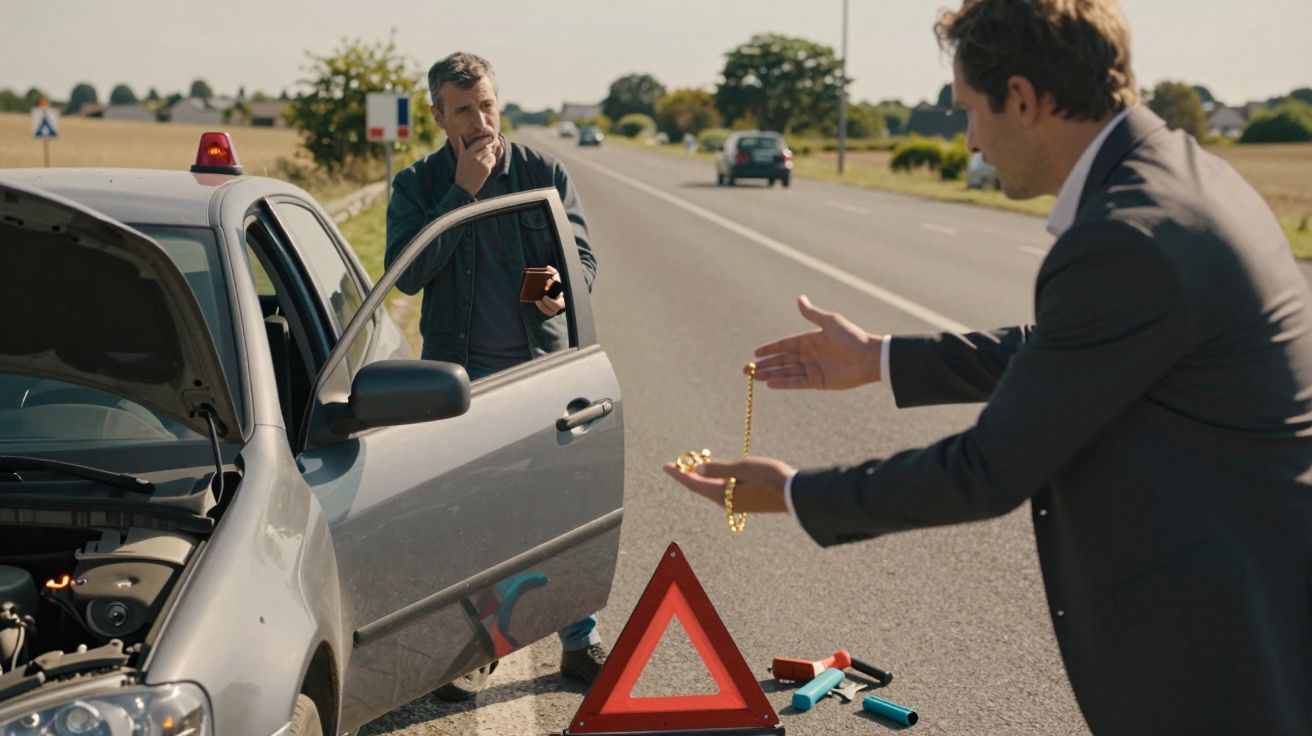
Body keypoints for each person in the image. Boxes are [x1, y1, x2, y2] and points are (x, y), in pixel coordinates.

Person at [664, 0, 1312, 732]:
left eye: (970, 110)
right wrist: (880, 358)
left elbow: (987, 469)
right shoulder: (1186, 175)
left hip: (1219, 652)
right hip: (1252, 601)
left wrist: (795, 493)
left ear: (1025, 100)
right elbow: (1072, 348)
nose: (970, 140)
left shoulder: (1125, 234)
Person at [385, 51, 607, 685]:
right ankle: (476, 648)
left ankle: (578, 639)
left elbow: (582, 263)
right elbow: (407, 275)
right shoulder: (419, 185)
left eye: (485, 104)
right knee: (471, 516)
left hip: (544, 372)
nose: (478, 120)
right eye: (462, 110)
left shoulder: (543, 172)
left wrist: (557, 289)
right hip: (459, 381)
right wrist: (464, 194)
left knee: (559, 511)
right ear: (437, 116)